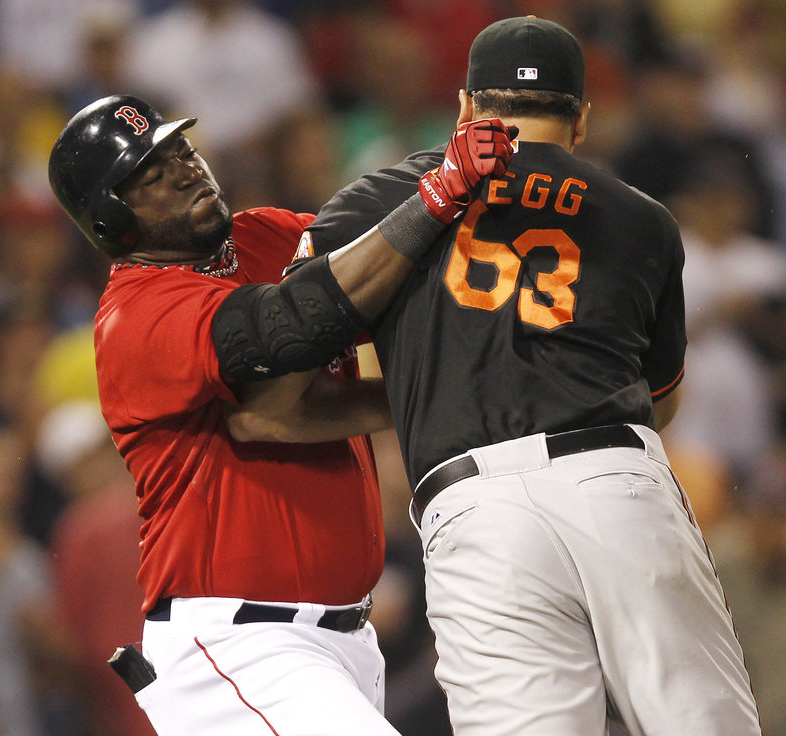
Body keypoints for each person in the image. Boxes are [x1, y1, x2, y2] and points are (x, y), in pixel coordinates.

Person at [296, 16, 763, 736]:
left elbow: (296, 320)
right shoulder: (643, 220)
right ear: (580, 119)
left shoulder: (382, 196)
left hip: (472, 501)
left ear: (465, 108)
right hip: (615, 480)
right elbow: (663, 401)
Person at [46, 94, 512, 735]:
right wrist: (439, 189)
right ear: (111, 218)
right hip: (238, 645)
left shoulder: (260, 235)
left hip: (341, 642)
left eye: (182, 149)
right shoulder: (137, 315)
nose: (186, 170)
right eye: (152, 173)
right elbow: (287, 328)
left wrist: (479, 144)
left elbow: (369, 229)